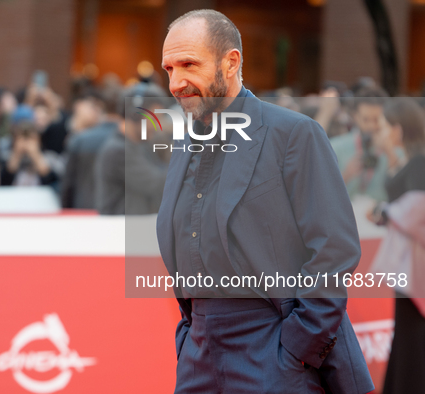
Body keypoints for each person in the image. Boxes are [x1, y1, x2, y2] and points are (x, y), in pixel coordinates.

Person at [155, 10, 373, 393]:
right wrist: (190, 334)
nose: (176, 82)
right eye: (169, 69)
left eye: (189, 64)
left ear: (231, 62)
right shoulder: (183, 142)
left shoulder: (294, 134)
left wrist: (297, 348)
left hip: (273, 347)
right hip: (198, 354)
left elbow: (334, 250)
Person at [366, 98, 425, 394]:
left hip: (416, 268)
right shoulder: (411, 160)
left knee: (412, 338)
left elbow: (418, 210)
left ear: (399, 129)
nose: (381, 131)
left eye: (385, 126)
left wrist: (386, 213)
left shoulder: (420, 162)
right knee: (405, 338)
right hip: (408, 266)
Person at [94, 82, 168, 215]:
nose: (157, 126)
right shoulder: (117, 151)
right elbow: (158, 184)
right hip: (118, 231)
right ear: (135, 114)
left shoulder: (141, 146)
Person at [61, 91, 121, 209]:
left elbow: (68, 184)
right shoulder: (132, 141)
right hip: (118, 213)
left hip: (83, 210)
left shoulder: (79, 140)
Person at [330, 87, 391, 202]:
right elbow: (323, 193)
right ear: (355, 116)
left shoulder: (395, 149)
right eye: (366, 119)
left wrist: (390, 152)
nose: (372, 126)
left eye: (377, 119)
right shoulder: (336, 147)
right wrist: (346, 175)